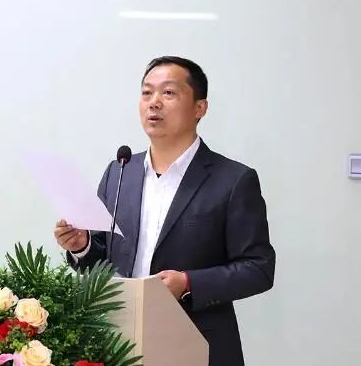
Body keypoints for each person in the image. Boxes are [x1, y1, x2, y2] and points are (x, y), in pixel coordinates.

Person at [54, 56, 275, 366]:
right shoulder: (120, 171)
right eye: (147, 92)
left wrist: (188, 283)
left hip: (195, 344)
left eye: (168, 93)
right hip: (119, 344)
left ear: (200, 108)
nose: (154, 102)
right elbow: (104, 260)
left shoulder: (233, 180)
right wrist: (82, 245)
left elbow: (258, 268)